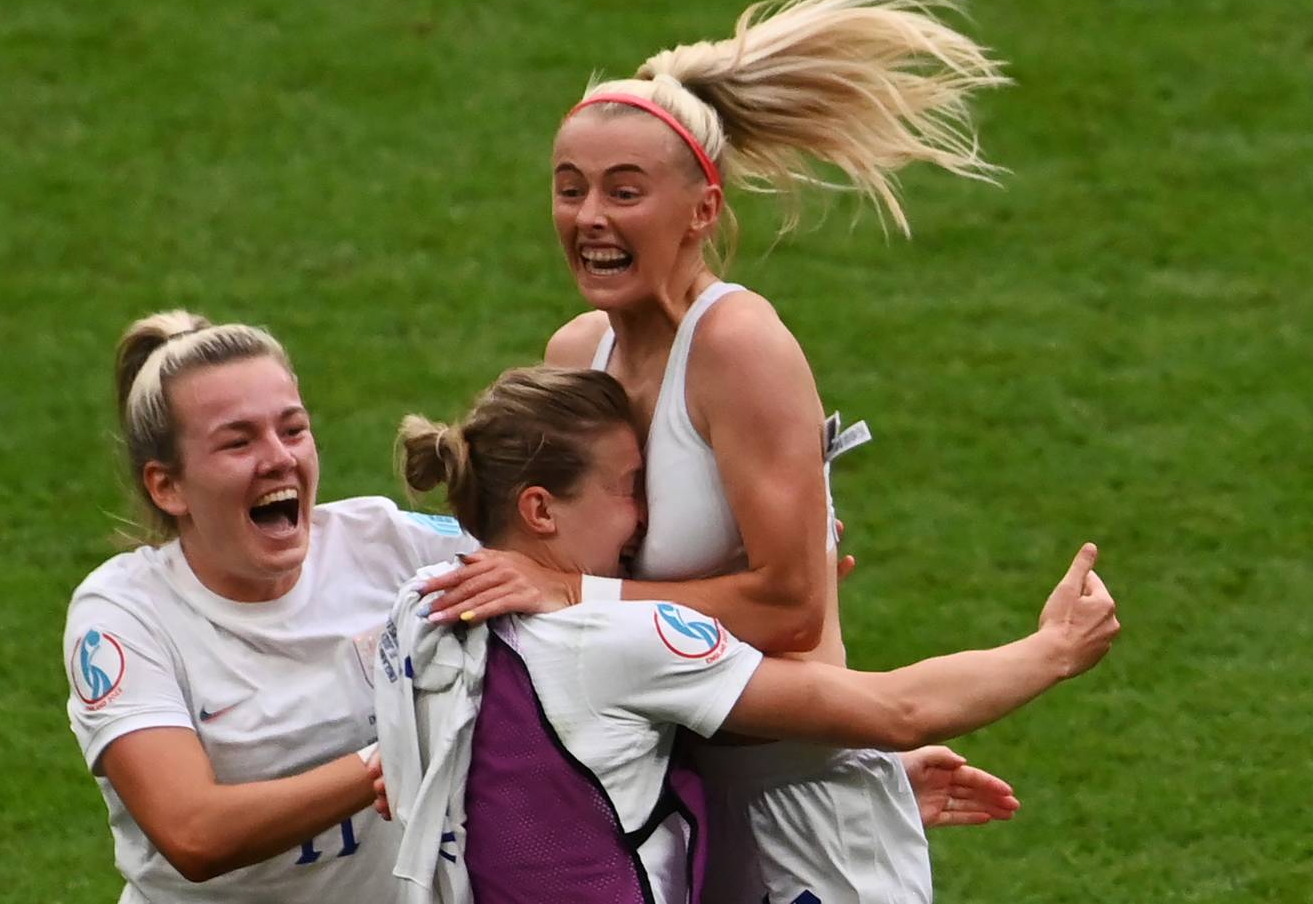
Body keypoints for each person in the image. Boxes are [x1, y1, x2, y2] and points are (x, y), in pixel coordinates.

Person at [417, 0, 1033, 904]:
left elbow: (789, 610)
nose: (590, 218)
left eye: (626, 192)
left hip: (801, 806)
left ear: (702, 211)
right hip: (671, 806)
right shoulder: (580, 351)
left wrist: (574, 592)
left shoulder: (739, 346)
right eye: (570, 188)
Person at [378, 366, 1119, 904]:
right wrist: (1053, 648)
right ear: (541, 510)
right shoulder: (609, 640)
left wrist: (848, 771)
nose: (645, 518)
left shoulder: (416, 610)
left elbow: (562, 775)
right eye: (631, 487)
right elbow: (898, 710)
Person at [61, 310, 479, 903]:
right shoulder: (124, 615)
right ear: (167, 486)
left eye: (293, 429)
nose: (279, 457)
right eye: (238, 441)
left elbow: (568, 561)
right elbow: (193, 831)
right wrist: (391, 758)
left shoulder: (388, 543)